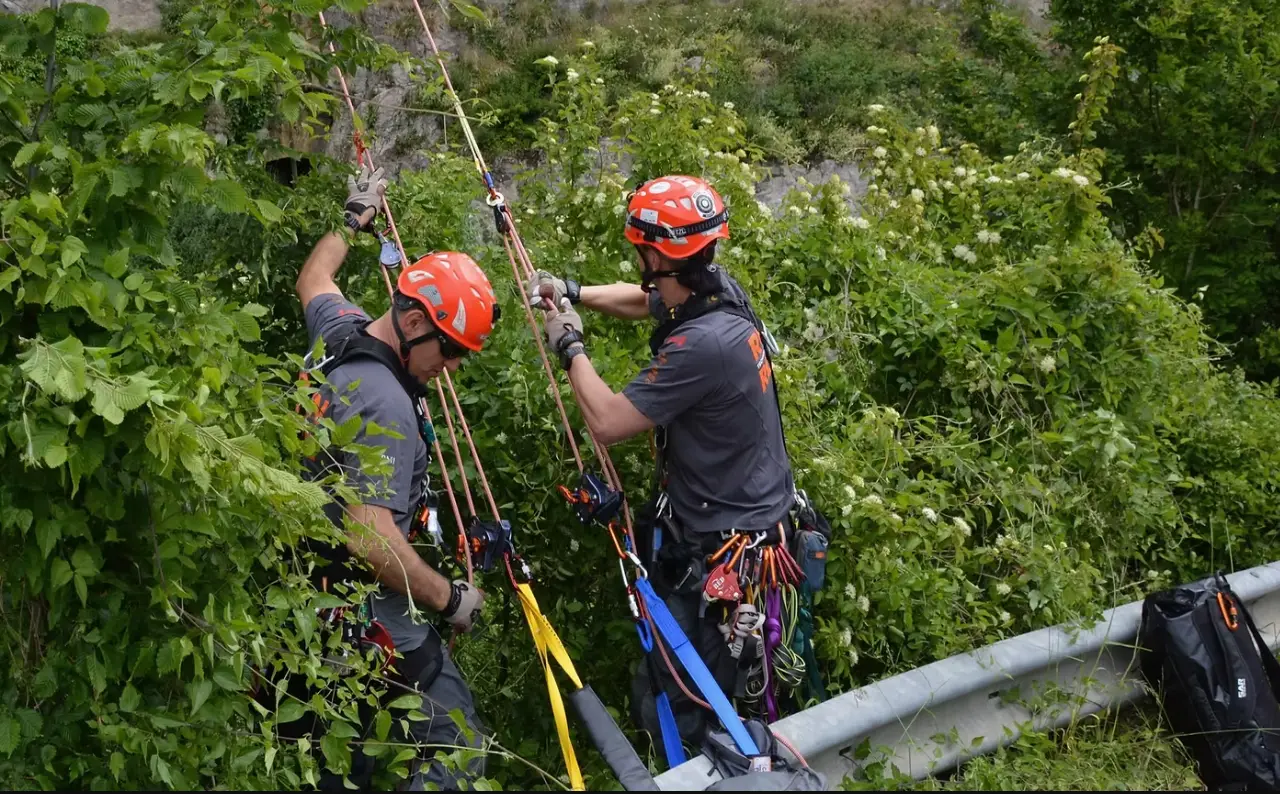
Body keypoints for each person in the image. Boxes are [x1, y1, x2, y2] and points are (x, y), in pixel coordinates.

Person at [525, 175, 796, 753]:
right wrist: (572, 290)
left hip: (723, 546)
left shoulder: (704, 345)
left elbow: (609, 421)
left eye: (643, 252)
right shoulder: (716, 290)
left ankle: (699, 761)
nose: (640, 264)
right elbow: (641, 299)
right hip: (736, 520)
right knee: (690, 677)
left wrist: (570, 344)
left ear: (657, 253)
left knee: (684, 696)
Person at [292, 164, 496, 790]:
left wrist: (353, 218)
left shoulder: (342, 334)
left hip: (298, 605)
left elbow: (314, 276)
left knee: (326, 763)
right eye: (452, 350)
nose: (455, 367)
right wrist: (451, 599)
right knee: (457, 745)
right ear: (413, 324)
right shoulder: (383, 399)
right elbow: (369, 536)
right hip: (360, 613)